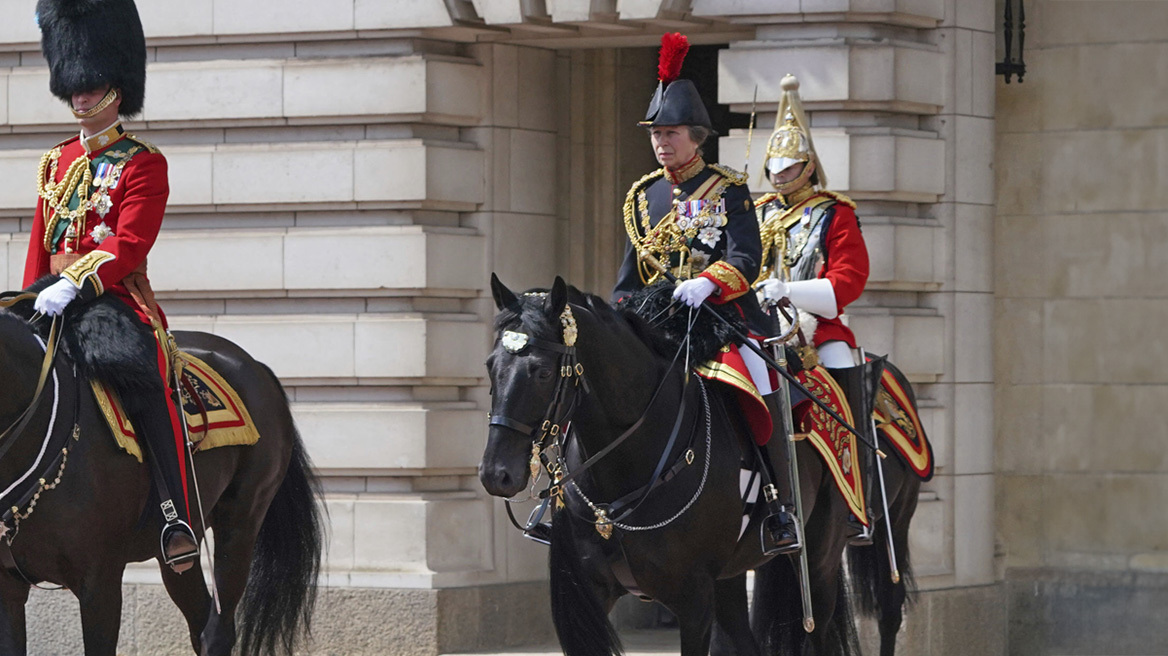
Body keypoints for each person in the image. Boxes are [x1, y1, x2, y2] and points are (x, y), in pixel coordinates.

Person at [24, 0, 199, 571]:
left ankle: (177, 514)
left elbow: (128, 246)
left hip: (113, 299)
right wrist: (30, 300)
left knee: (144, 380)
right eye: (72, 84)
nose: (79, 95)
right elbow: (38, 243)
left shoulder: (143, 163)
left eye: (90, 84)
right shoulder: (55, 161)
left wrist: (76, 283)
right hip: (49, 296)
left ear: (115, 88)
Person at [612, 33, 800, 555]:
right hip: (660, 323)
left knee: (761, 381)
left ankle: (777, 504)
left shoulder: (728, 187)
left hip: (722, 320)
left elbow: (747, 257)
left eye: (670, 133)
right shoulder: (643, 194)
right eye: (656, 133)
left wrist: (709, 281)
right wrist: (618, 318)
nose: (661, 142)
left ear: (696, 137)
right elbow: (631, 275)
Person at [754, 74, 876, 544]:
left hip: (817, 330)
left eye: (789, 168)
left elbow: (848, 281)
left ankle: (855, 503)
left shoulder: (835, 213)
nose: (780, 176)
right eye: (775, 168)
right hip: (761, 325)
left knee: (842, 376)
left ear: (807, 167)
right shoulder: (759, 211)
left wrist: (791, 290)